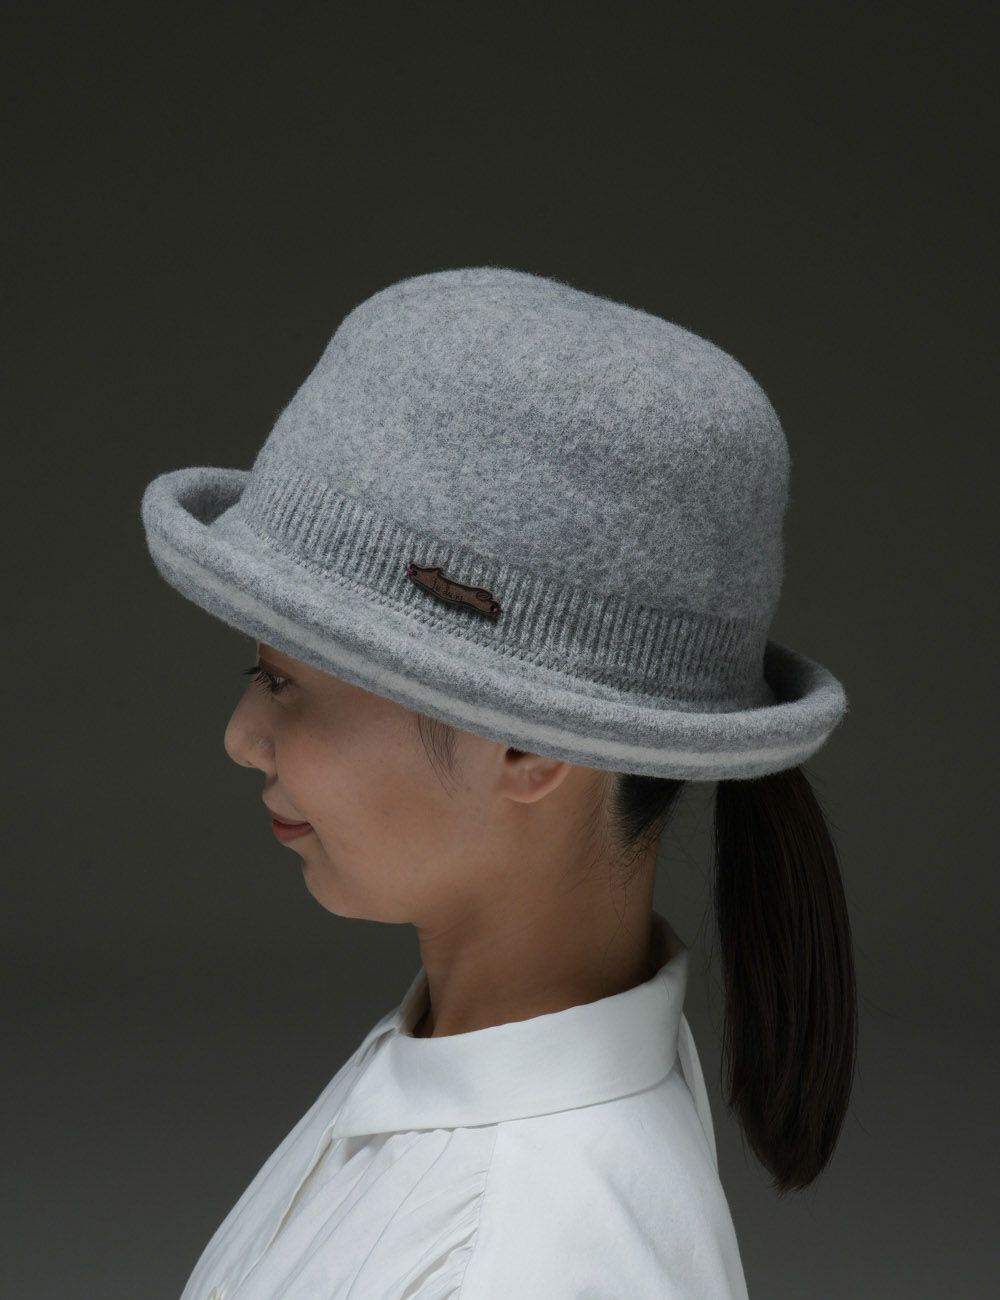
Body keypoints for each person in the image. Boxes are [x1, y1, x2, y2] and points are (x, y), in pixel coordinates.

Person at [141, 265, 856, 1299]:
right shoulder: (452, 1072)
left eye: (285, 683)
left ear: (526, 746)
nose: (241, 737)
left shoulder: (514, 1256)